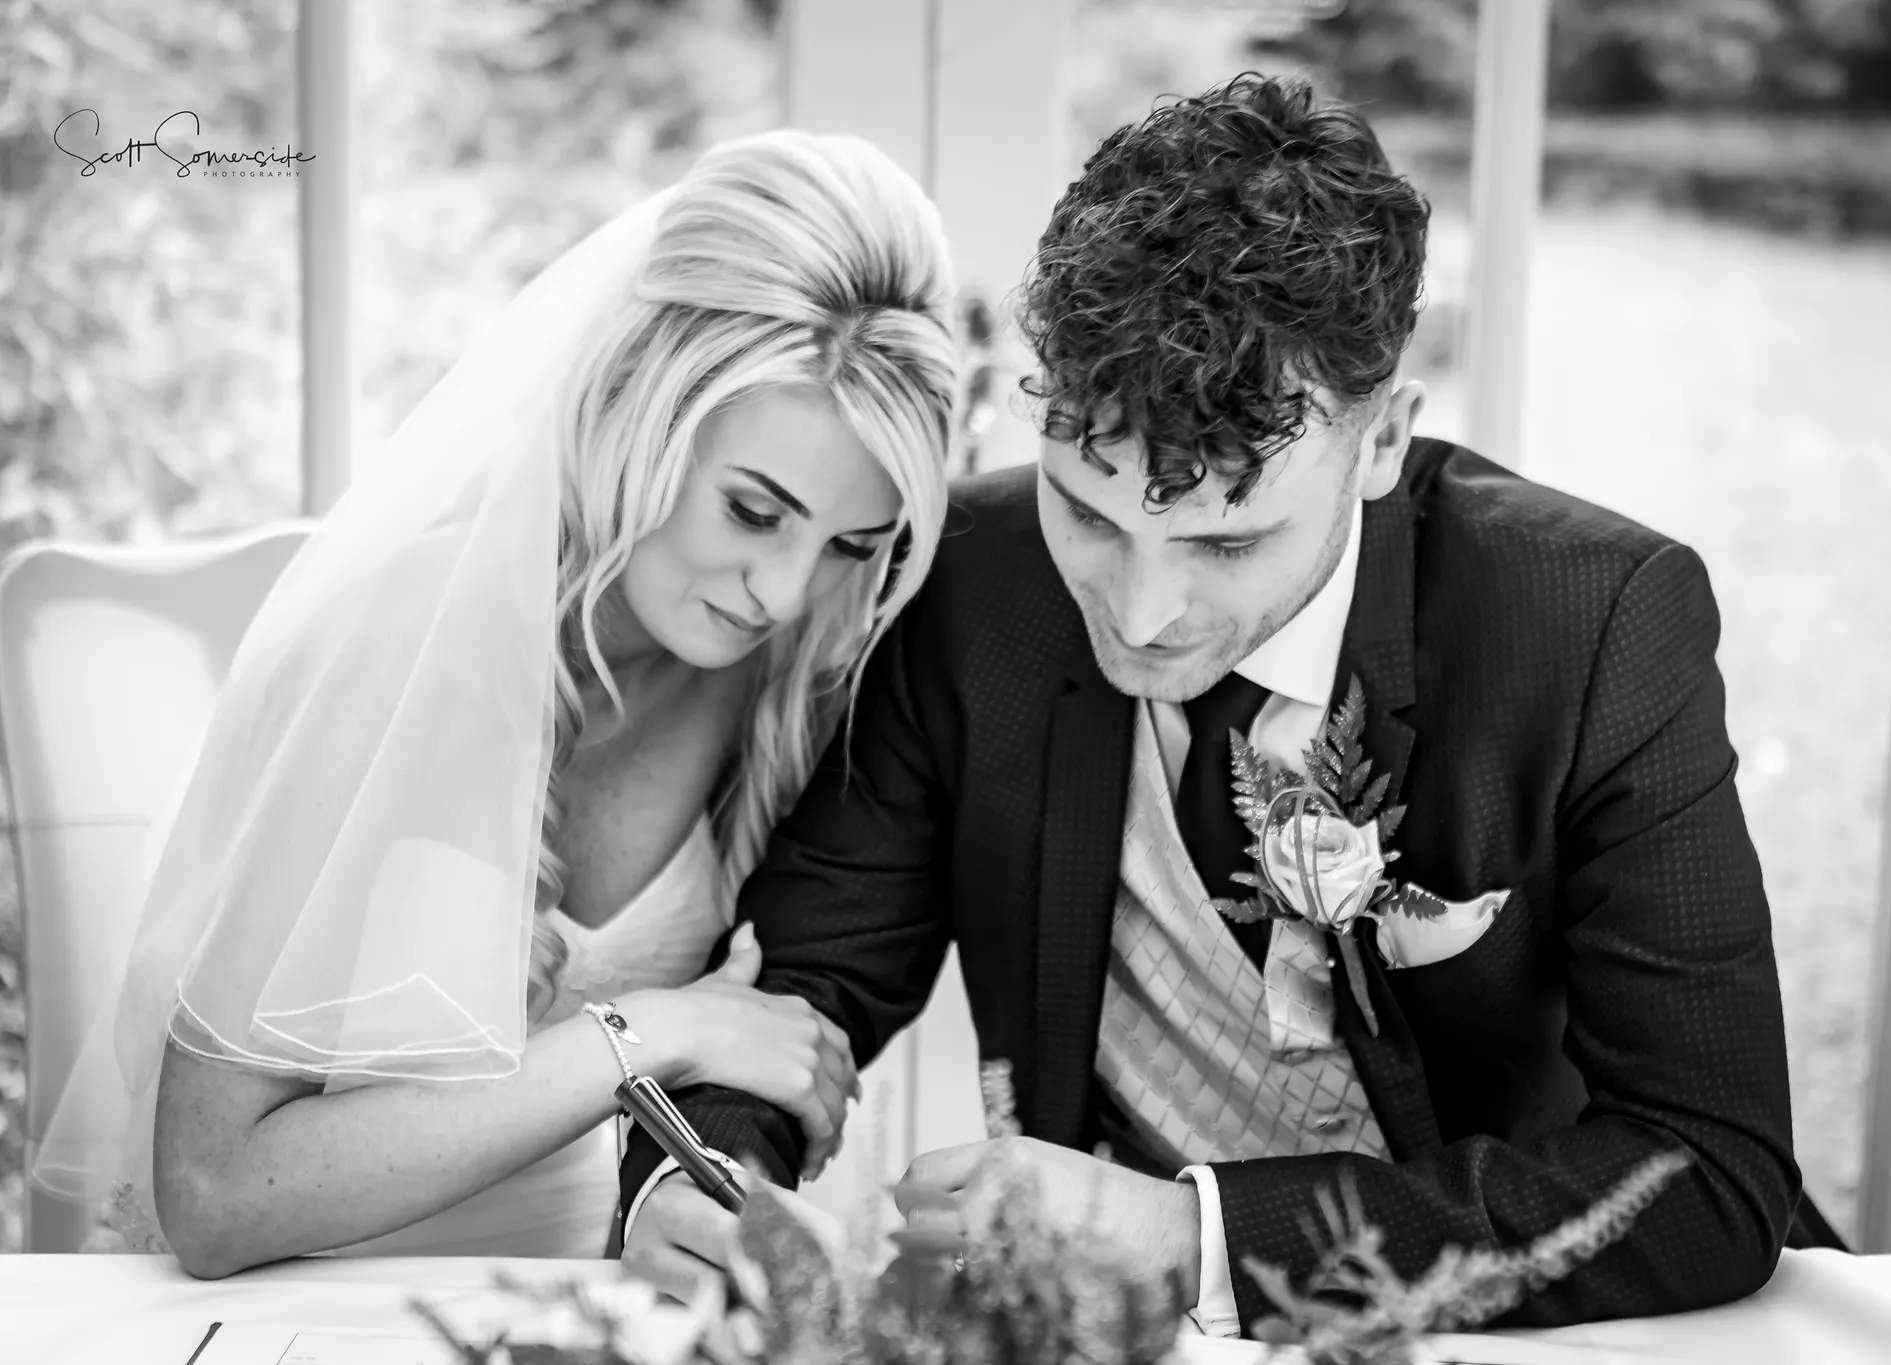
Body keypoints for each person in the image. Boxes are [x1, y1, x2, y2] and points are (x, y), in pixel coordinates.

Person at [619, 76, 1816, 1332]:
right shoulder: (965, 581)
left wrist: (1192, 1238)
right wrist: (689, 1182)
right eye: (1086, 511)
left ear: (1382, 440)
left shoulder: (1597, 624)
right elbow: (802, 984)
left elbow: (1710, 1172)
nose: (1137, 615)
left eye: (1226, 543)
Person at [30, 129, 961, 1277]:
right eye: (753, 512)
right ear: (636, 402)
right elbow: (211, 1195)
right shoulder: (407, 632)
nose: (782, 592)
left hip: (586, 1296)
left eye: (848, 544)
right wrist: (655, 1031)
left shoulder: (796, 664)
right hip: (302, 1306)